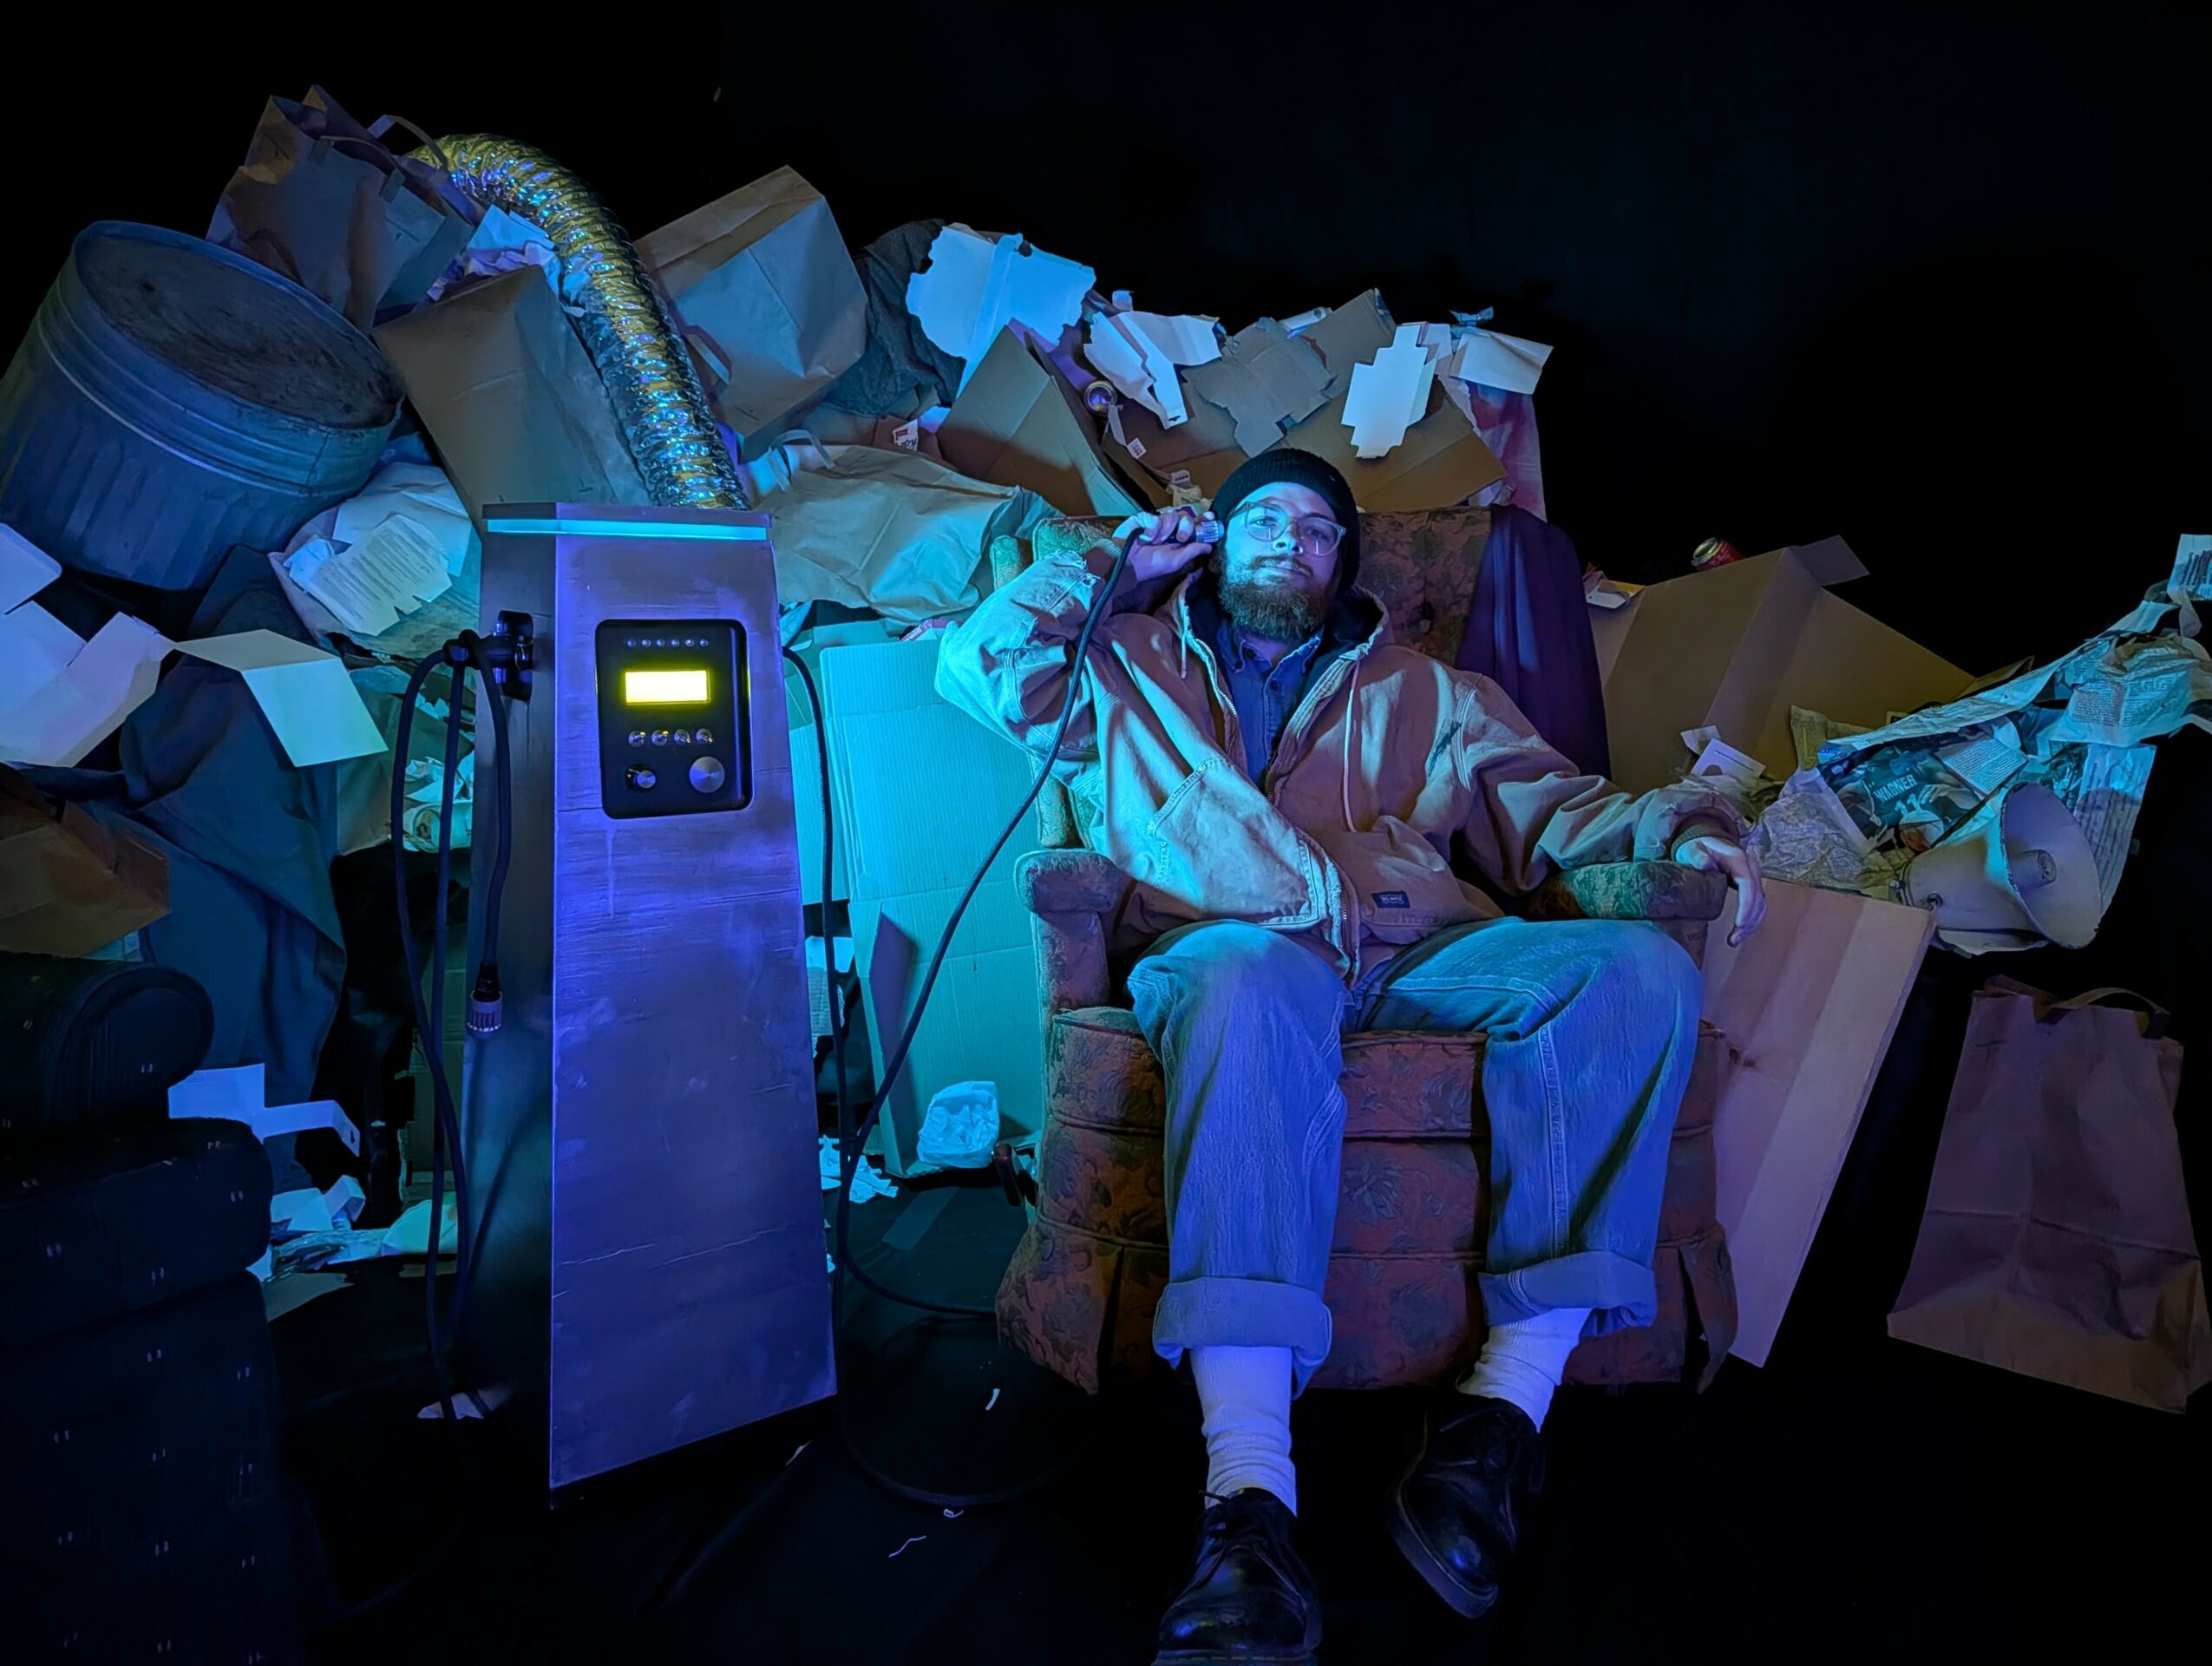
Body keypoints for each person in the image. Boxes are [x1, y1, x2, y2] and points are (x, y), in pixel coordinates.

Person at [936, 450, 1765, 1663]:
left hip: (1412, 949)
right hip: (1230, 946)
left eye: (1320, 527)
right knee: (1246, 982)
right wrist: (1112, 566)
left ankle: (1499, 1420)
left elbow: (1557, 807)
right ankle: (1247, 1498)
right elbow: (975, 666)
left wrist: (1684, 823)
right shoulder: (1120, 662)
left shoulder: (1429, 690)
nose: (1293, 537)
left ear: (1342, 564)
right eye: (1264, 517)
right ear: (1215, 542)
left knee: (1638, 971)